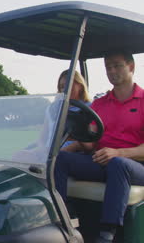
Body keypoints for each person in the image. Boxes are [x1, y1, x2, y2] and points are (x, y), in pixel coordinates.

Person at [55, 50, 144, 243]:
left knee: (118, 164)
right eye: (108, 67)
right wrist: (60, 150)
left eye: (117, 65)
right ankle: (64, 219)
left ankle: (107, 233)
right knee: (61, 160)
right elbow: (89, 143)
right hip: (103, 162)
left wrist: (119, 152)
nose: (112, 71)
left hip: (134, 166)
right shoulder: (100, 104)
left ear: (131, 67)